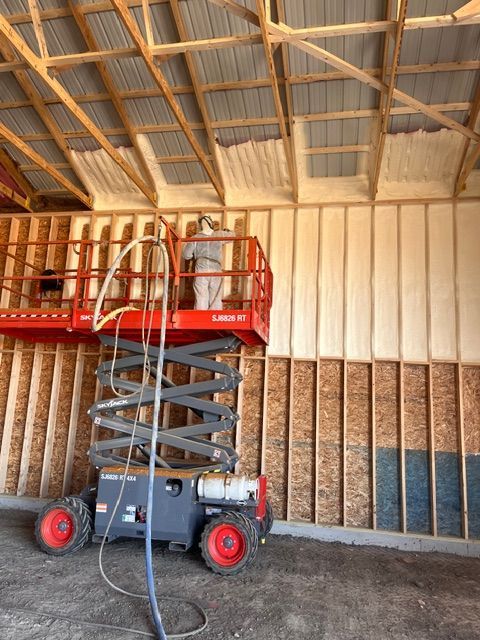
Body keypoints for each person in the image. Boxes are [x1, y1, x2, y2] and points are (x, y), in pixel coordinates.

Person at [182, 215, 235, 310]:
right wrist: (228, 231)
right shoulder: (219, 234)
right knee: (215, 297)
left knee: (201, 296)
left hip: (201, 268)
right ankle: (215, 319)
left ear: (200, 225)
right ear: (211, 224)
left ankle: (200, 320)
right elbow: (233, 237)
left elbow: (186, 255)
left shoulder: (195, 238)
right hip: (216, 268)